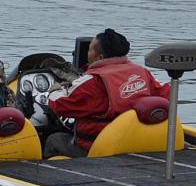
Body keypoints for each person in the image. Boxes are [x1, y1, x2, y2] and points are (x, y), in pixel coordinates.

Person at [44, 29, 170, 158]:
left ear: (100, 57)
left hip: (97, 146)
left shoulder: (92, 82)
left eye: (89, 49)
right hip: (137, 142)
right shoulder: (142, 72)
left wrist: (56, 90)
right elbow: (167, 94)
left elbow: (60, 106)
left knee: (54, 140)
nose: (87, 53)